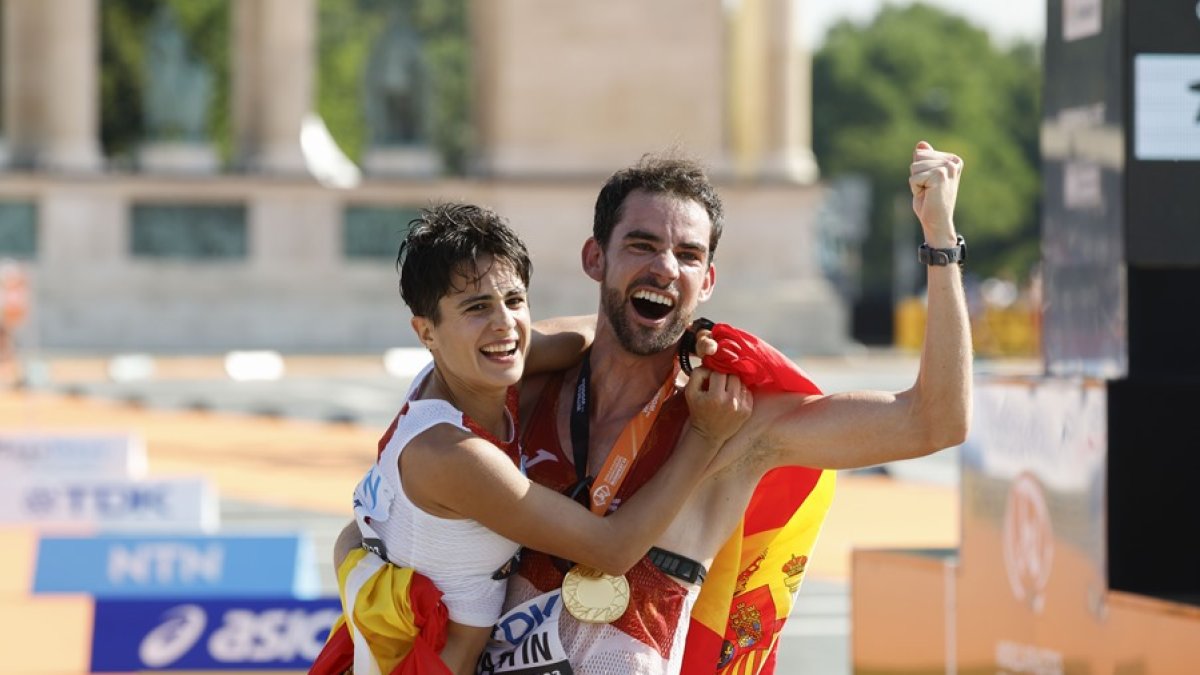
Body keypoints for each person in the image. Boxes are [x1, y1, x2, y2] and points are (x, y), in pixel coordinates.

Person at [330, 141, 970, 674]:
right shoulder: (520, 389)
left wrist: (940, 244)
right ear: (595, 258)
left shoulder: (736, 419)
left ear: (707, 281)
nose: (665, 267)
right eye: (641, 245)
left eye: (688, 255)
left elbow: (933, 421)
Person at [331, 202, 754, 675]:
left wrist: (683, 331)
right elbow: (611, 549)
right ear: (426, 331)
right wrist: (703, 434)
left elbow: (588, 334)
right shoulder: (454, 454)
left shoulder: (472, 374)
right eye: (476, 308)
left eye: (513, 301)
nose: (503, 325)